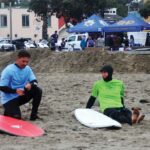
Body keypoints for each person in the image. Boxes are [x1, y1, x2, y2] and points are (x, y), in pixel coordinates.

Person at [0, 50, 42, 120]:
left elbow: (35, 81)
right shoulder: (8, 70)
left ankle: (34, 115)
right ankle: (9, 111)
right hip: (9, 99)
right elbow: (1, 87)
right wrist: (15, 91)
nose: (25, 63)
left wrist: (31, 84)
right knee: (16, 118)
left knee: (37, 90)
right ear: (18, 59)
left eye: (27, 62)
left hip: (21, 96)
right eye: (23, 61)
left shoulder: (27, 69)